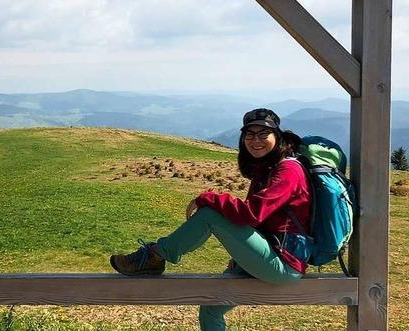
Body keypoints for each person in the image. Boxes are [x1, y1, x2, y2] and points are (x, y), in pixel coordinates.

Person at [110, 108, 312, 331]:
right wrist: (242, 254)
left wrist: (208, 198)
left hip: (283, 264)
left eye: (264, 133)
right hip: (273, 254)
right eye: (250, 134)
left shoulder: (288, 171)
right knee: (211, 308)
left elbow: (253, 215)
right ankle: (154, 256)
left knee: (210, 215)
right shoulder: (268, 167)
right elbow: (260, 221)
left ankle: (154, 256)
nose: (256, 140)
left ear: (278, 135)